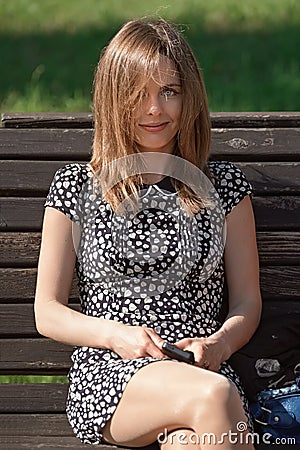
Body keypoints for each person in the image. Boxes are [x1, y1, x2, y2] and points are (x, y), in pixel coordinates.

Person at [34, 17, 262, 450]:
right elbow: (47, 311)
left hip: (202, 367)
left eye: (168, 91)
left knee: (195, 438)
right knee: (213, 399)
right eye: (137, 95)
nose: (154, 109)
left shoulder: (224, 188)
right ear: (112, 100)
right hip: (114, 374)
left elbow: (247, 302)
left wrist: (217, 345)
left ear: (189, 96)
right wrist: (117, 335)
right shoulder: (76, 187)